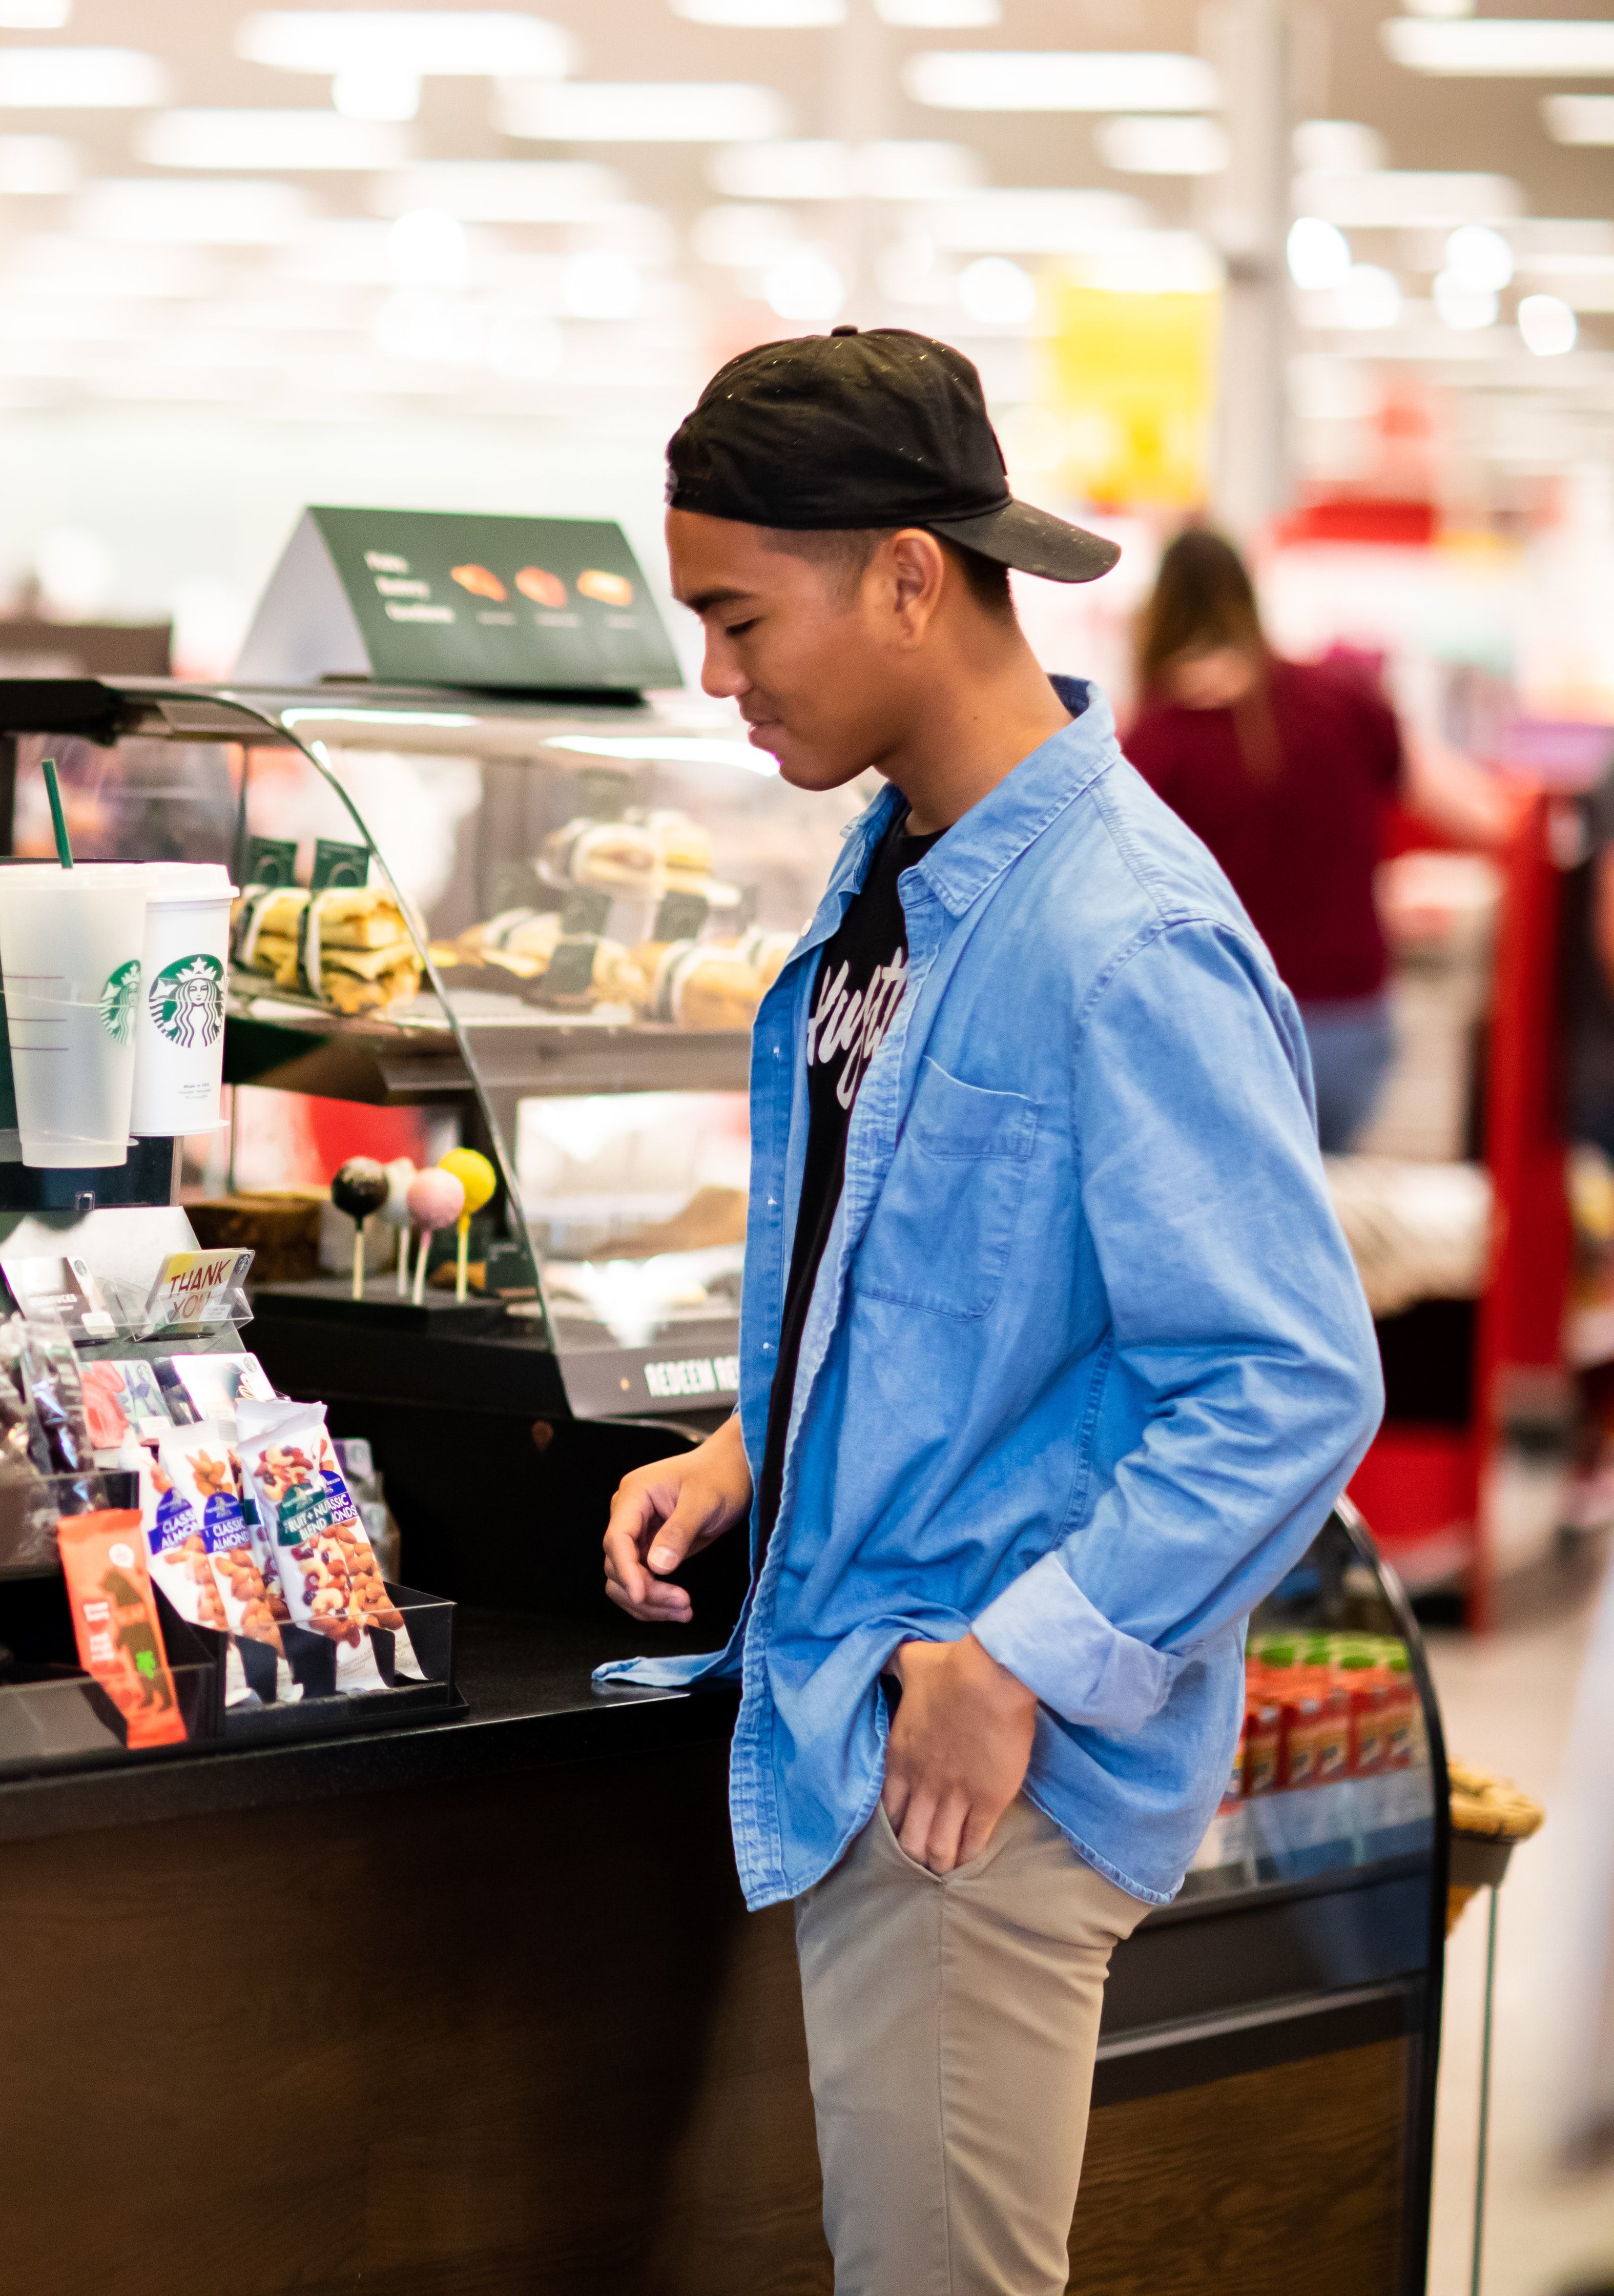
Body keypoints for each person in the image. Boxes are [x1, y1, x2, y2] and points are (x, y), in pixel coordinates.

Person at [596, 329, 1383, 2296]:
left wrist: (1012, 1655)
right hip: (862, 1703)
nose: (714, 675)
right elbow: (941, 1277)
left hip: (969, 1782)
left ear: (901, 577)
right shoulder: (903, 868)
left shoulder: (1113, 932)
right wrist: (745, 1443)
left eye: (732, 614)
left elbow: (1286, 1379)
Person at [1119, 527, 1410, 1152]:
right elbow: (1414, 786)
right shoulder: (1344, 698)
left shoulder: (1157, 742)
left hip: (1232, 1028)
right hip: (1355, 1023)